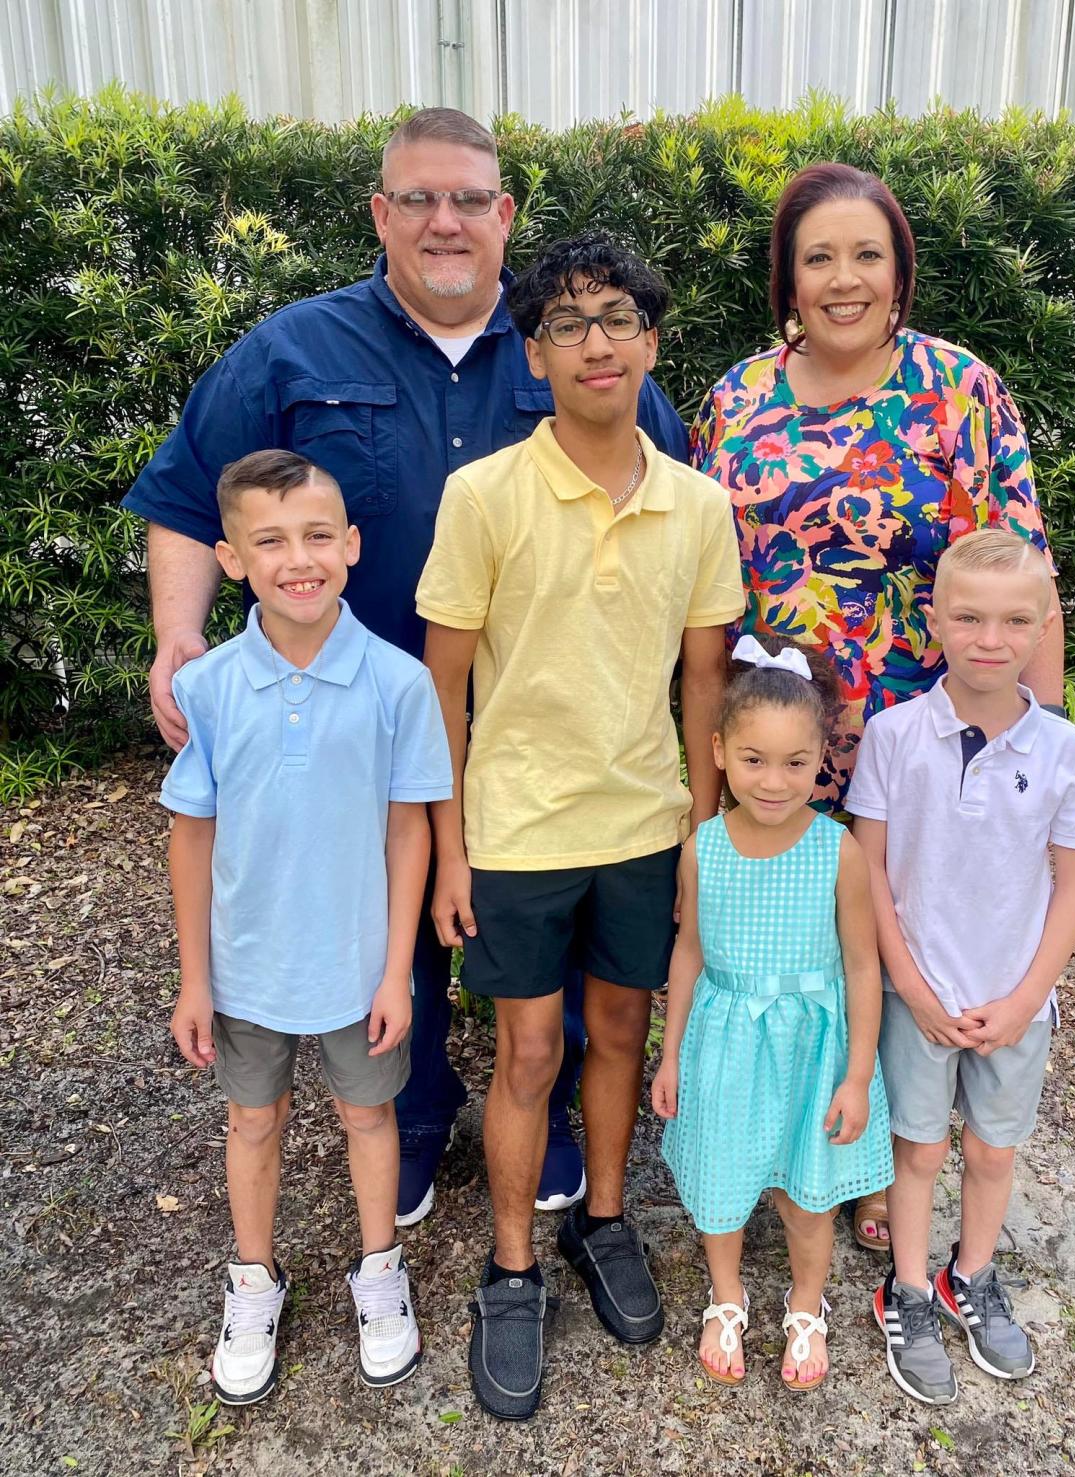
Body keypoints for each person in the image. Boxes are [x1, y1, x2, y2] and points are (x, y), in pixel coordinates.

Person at [123, 108, 691, 1227]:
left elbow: (671, 495)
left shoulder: (567, 342)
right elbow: (190, 495)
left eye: (470, 199)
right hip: (356, 727)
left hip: (545, 723)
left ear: (503, 215)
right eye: (419, 199)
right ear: (381, 213)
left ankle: (554, 1108)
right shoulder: (292, 351)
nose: (446, 222)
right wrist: (179, 633)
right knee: (392, 918)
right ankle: (417, 1114)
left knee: (562, 922)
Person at [690, 161, 1065, 1254]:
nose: (843, 279)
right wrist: (707, 772)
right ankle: (782, 1136)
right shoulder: (737, 400)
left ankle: (869, 1152)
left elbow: (1025, 579)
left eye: (867, 255)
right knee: (793, 940)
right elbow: (708, 600)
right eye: (819, 258)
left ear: (899, 272)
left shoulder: (959, 389)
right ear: (787, 280)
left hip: (928, 742)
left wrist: (1030, 754)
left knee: (897, 939)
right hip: (780, 743)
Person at [415, 230, 744, 1420]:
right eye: (567, 322)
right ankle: (511, 1268)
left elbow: (705, 682)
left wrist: (702, 835)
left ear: (651, 345)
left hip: (645, 823)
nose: (595, 342)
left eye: (617, 318)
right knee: (530, 1052)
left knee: (622, 1030)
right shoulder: (483, 496)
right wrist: (451, 848)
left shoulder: (698, 505)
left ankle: (601, 1221)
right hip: (516, 834)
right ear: (533, 354)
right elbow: (438, 689)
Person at [162, 450, 453, 1404]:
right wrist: (195, 978)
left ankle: (379, 1269)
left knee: (370, 1114)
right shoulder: (208, 690)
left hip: (358, 962)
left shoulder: (398, 682)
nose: (300, 557)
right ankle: (255, 1277)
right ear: (232, 557)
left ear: (352, 545)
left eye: (318, 535)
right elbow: (193, 837)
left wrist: (395, 967)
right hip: (245, 970)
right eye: (272, 539)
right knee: (254, 1120)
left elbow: (407, 826)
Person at [847, 529, 1075, 1406]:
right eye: (969, 617)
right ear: (936, 619)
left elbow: (1074, 884)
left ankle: (971, 1274)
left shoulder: (1065, 752)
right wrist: (909, 987)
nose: (990, 639)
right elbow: (869, 869)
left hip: (1016, 1002)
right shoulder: (892, 735)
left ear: (1042, 628)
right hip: (921, 998)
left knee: (993, 1153)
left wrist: (1029, 997)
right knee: (916, 1152)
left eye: (1014, 620)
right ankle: (907, 1289)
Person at [654, 634, 892, 1391]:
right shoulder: (704, 846)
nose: (774, 780)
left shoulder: (838, 851)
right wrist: (670, 1052)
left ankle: (805, 1302)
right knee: (722, 1179)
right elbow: (689, 950)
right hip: (724, 1044)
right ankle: (726, 1294)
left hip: (810, 1049)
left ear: (823, 754)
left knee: (805, 1188)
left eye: (795, 762)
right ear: (720, 750)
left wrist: (856, 1075)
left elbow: (861, 965)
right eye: (754, 758)